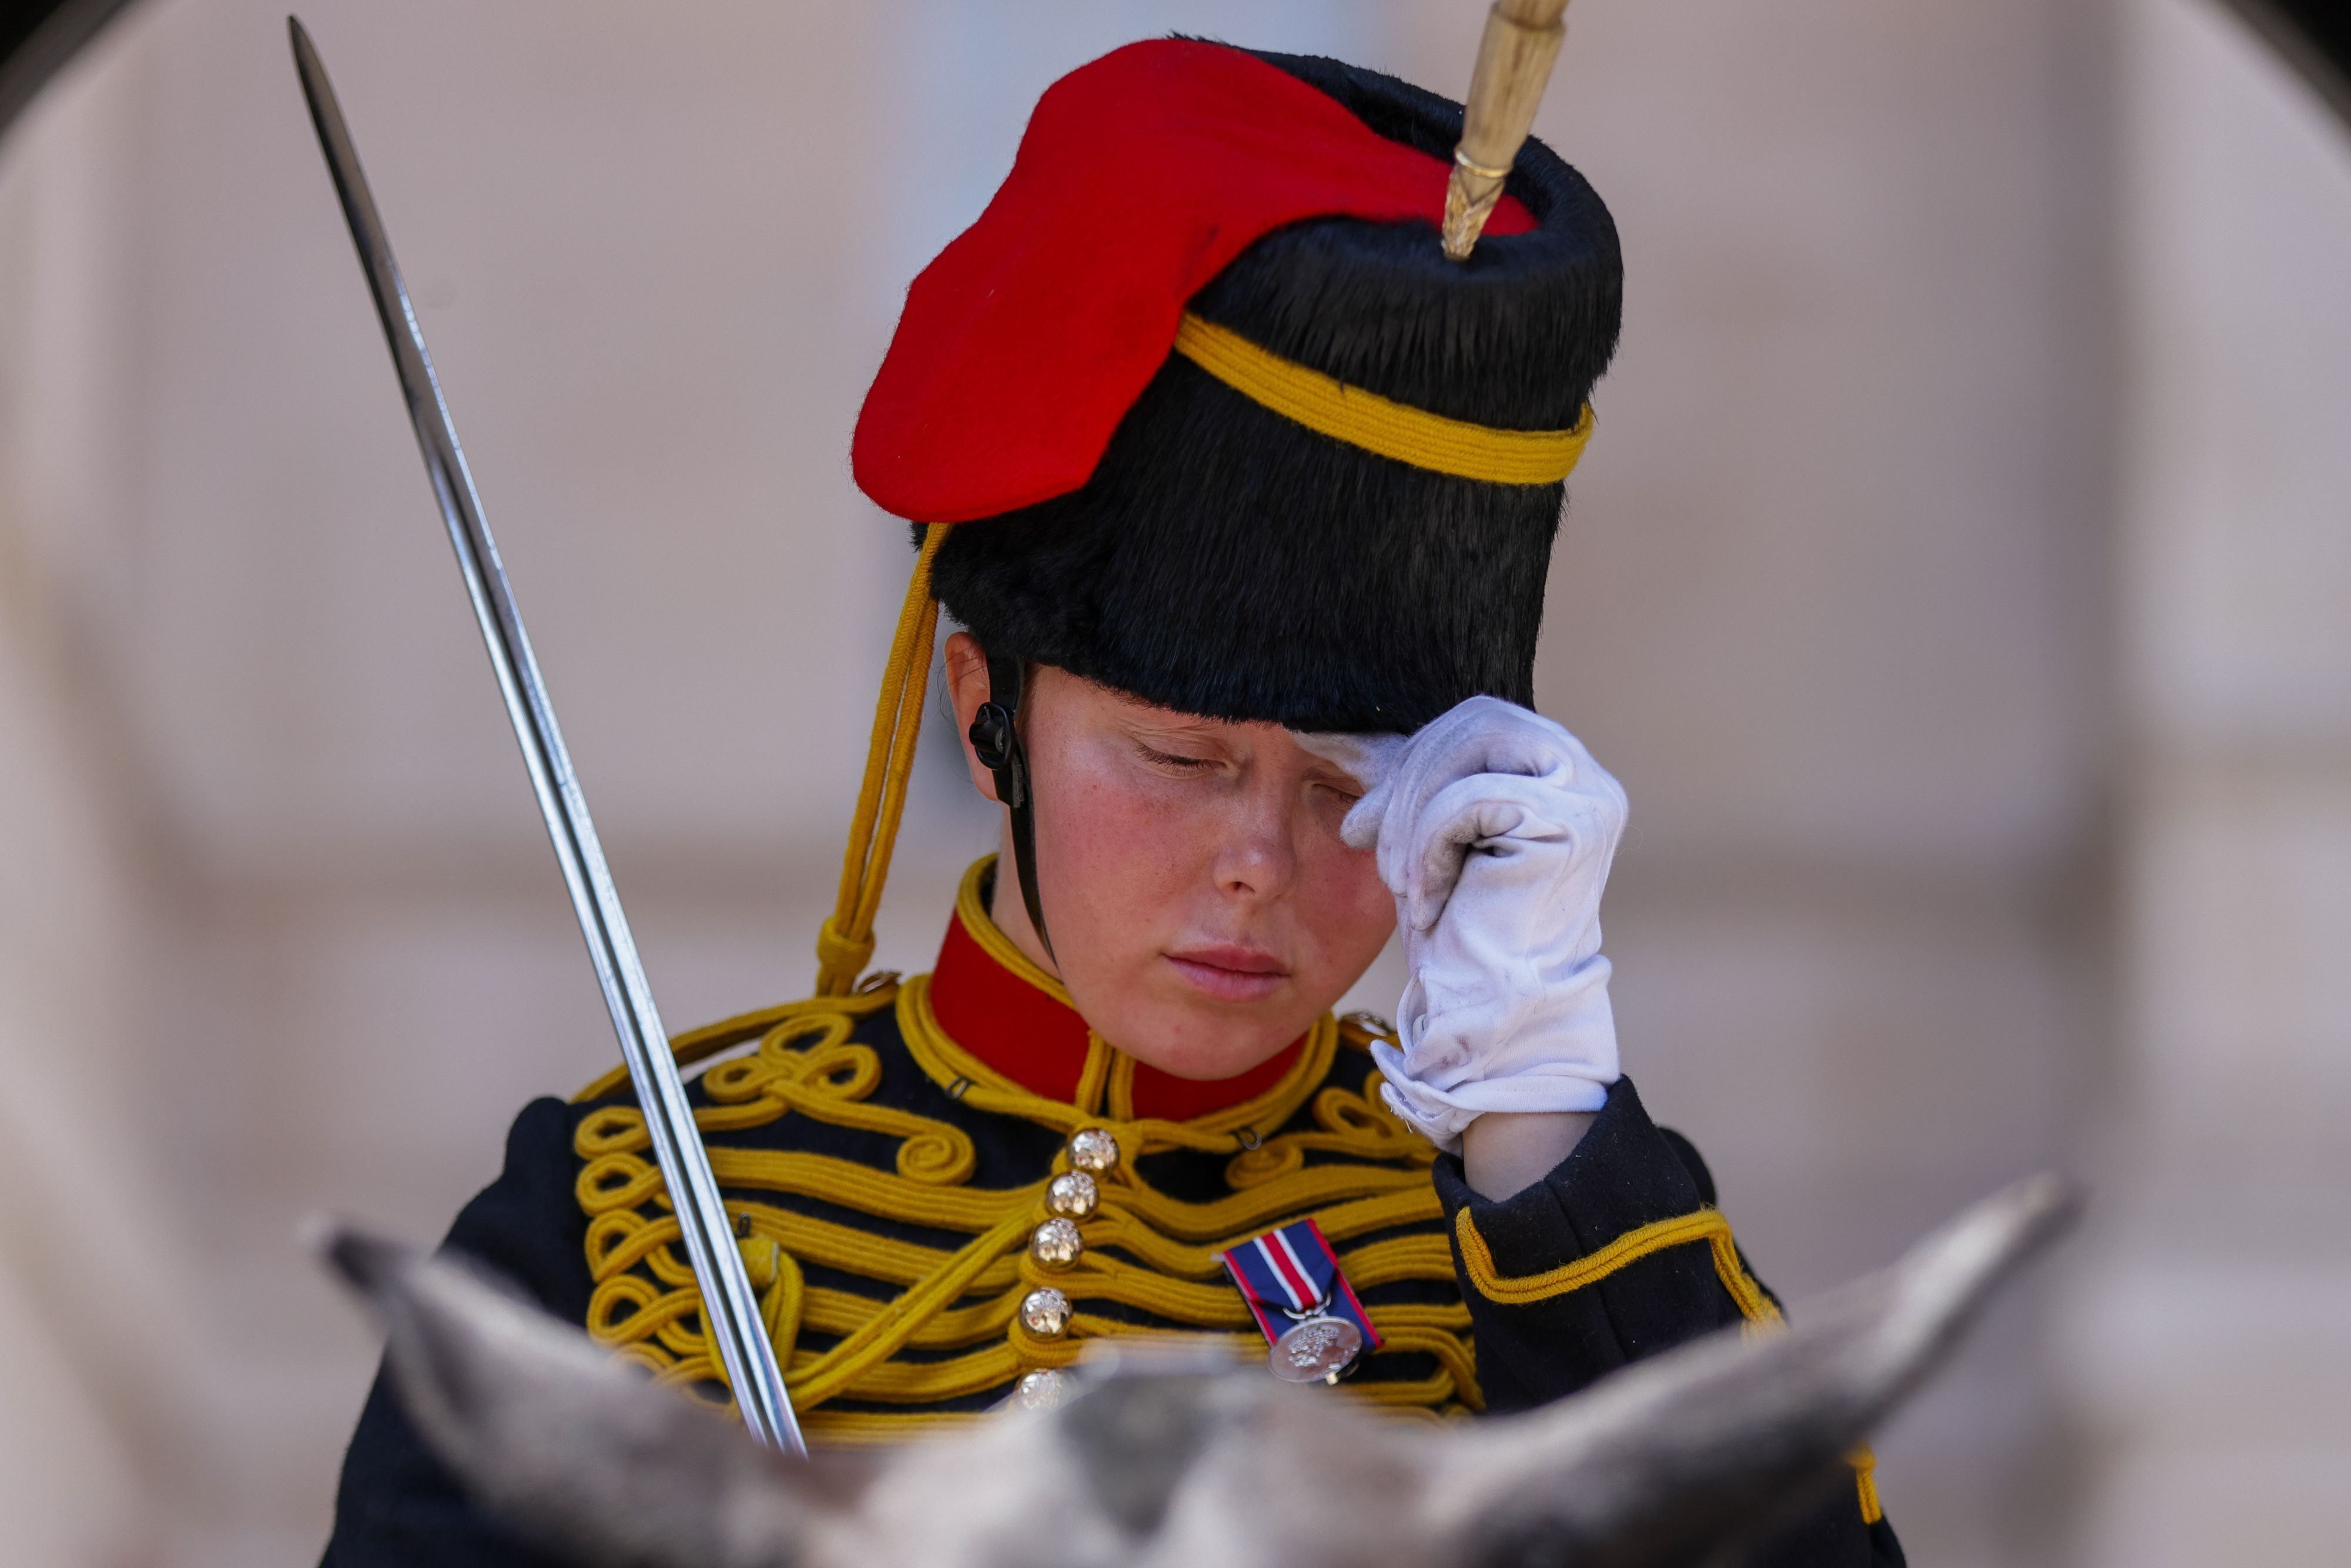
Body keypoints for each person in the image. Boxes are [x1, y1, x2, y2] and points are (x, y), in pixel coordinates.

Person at [321, 37, 1903, 1568]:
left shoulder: (1533, 1261)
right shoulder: (631, 1217)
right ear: (984, 709)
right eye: (1181, 758)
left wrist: (1549, 1144)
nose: (1259, 864)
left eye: (1351, 780)